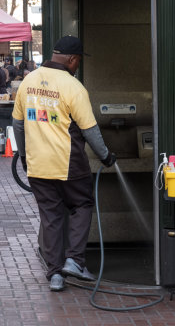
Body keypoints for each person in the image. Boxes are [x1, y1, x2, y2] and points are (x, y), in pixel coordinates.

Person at [12, 35, 116, 292]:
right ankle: (75, 261)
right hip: (69, 165)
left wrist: (25, 156)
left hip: (38, 165)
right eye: (78, 60)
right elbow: (90, 130)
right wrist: (105, 156)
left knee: (50, 216)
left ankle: (56, 274)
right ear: (71, 59)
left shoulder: (29, 81)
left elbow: (17, 124)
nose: (78, 65)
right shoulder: (74, 87)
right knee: (82, 204)